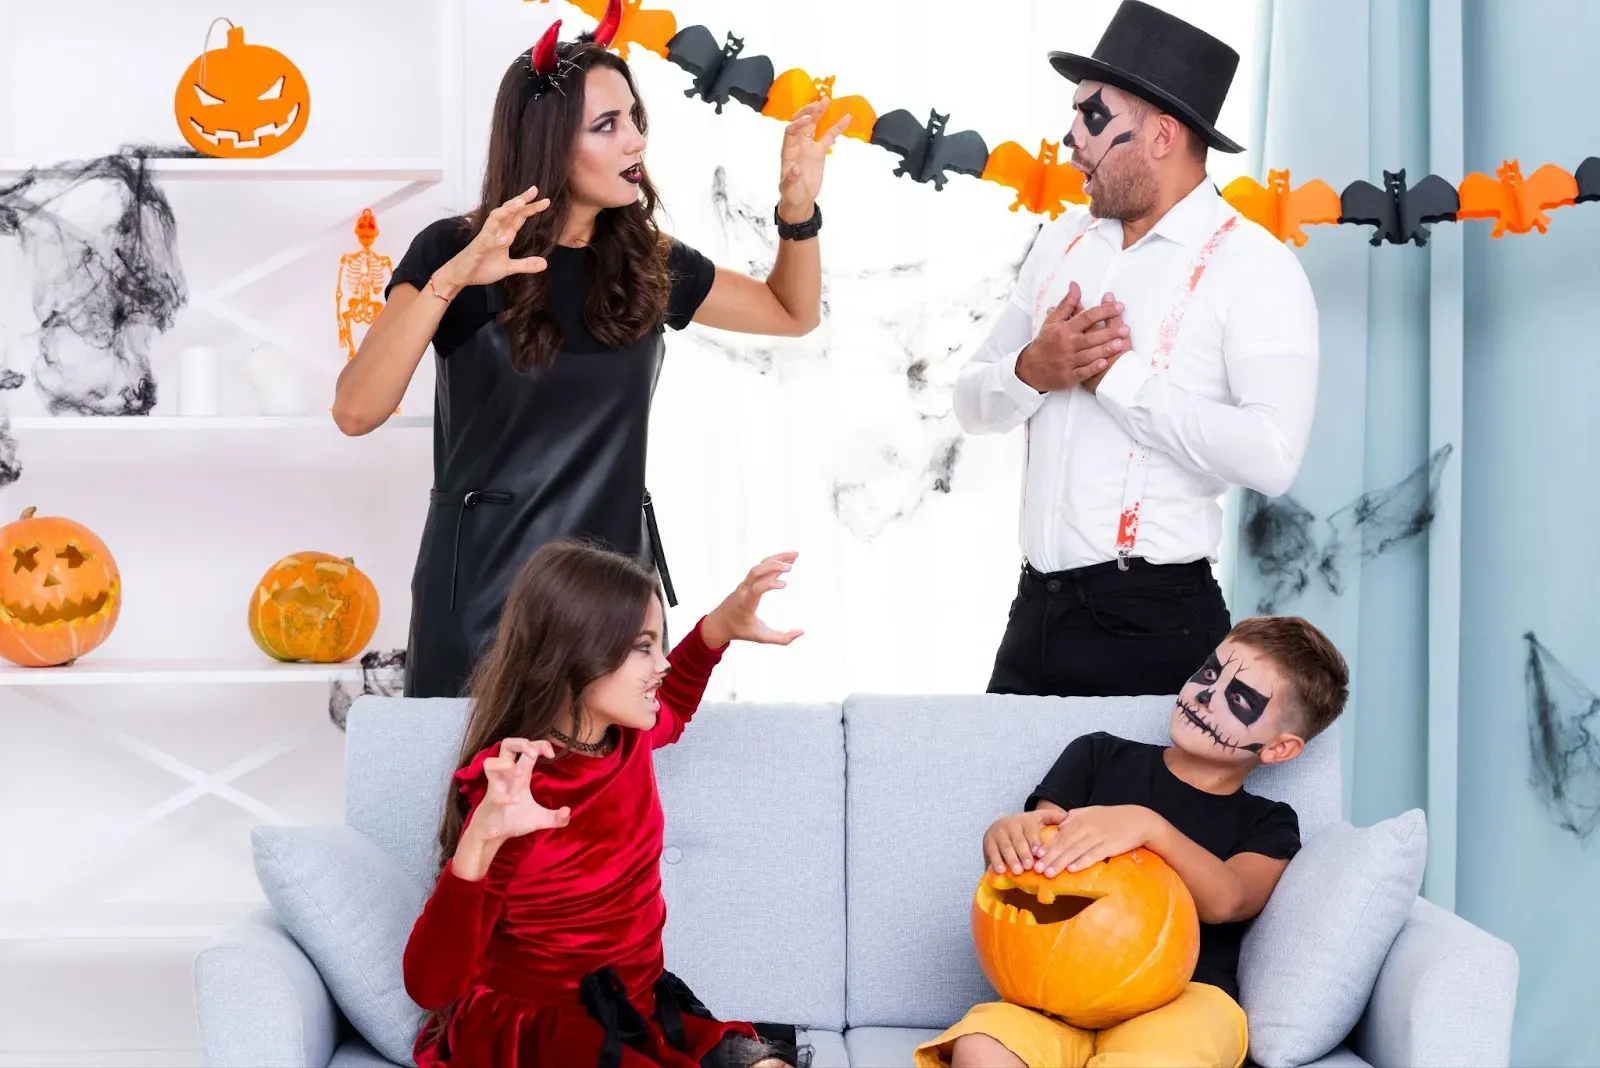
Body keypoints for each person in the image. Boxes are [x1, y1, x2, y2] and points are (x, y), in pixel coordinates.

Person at [332, 0, 848, 698]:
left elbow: (792, 313)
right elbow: (356, 410)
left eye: (635, 118)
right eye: (607, 125)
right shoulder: (455, 250)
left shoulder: (647, 261)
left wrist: (797, 208)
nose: (635, 141)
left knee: (612, 771)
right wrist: (450, 282)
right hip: (483, 602)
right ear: (546, 142)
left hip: (614, 603)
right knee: (479, 774)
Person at [953, 0, 1320, 698]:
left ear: (1162, 135)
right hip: (1033, 614)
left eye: (1092, 116)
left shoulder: (1255, 266)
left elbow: (1272, 458)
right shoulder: (1060, 243)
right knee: (995, 778)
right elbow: (971, 403)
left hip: (1156, 623)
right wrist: (1033, 369)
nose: (1070, 137)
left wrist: (1117, 379)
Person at [402, 539, 809, 1068]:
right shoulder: (514, 791)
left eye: (660, 645)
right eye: (643, 647)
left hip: (636, 1009)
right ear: (579, 651)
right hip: (546, 1034)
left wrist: (717, 629)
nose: (662, 666)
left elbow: (675, 704)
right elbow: (431, 987)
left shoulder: (627, 734)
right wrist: (480, 839)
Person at [914, 615, 1349, 1068]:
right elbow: (1042, 858)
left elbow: (1230, 899)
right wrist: (1009, 835)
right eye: (1209, 673)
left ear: (1279, 749)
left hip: (1183, 1000)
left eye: (1238, 698)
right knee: (981, 1047)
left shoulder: (1269, 820)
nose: (1205, 695)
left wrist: (1149, 828)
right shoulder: (1097, 755)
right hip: (1057, 993)